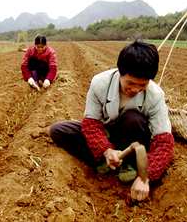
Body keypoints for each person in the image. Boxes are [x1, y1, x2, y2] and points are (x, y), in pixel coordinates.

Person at [49, 41, 174, 202]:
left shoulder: (155, 95)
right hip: (107, 134)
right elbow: (92, 124)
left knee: (133, 119)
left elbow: (164, 143)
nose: (135, 89)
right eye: (130, 83)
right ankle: (105, 161)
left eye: (142, 85)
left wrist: (145, 176)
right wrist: (106, 150)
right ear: (120, 73)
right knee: (60, 130)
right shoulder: (100, 83)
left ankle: (128, 165)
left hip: (133, 140)